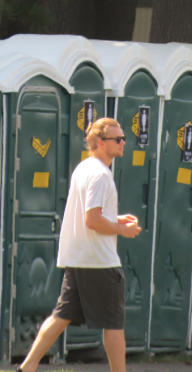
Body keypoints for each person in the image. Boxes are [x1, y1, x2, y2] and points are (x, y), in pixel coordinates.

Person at [17, 118, 142, 372]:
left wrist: (115, 218)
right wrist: (122, 229)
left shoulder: (84, 168)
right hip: (100, 261)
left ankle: (27, 368)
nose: (122, 143)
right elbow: (92, 220)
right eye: (116, 139)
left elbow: (90, 214)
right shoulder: (100, 174)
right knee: (114, 324)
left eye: (123, 138)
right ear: (98, 143)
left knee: (60, 316)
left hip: (78, 258)